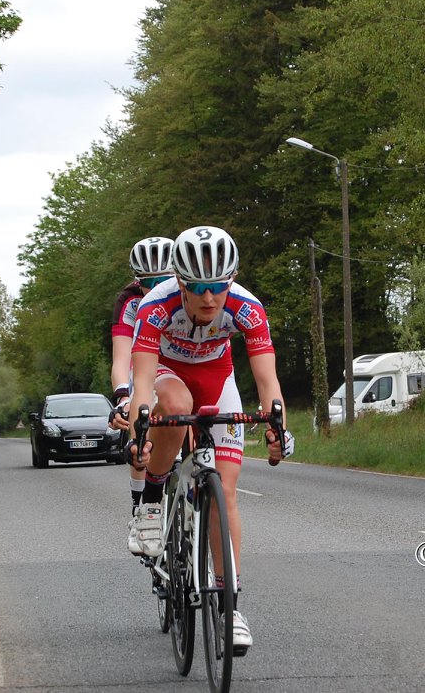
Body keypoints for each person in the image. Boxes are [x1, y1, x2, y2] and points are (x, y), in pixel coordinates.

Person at [117, 225, 295, 654]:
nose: (209, 298)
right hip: (167, 372)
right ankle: (152, 501)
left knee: (226, 490)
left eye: (218, 286)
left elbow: (268, 383)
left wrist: (278, 430)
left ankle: (229, 607)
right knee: (174, 404)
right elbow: (141, 381)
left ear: (230, 281)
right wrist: (140, 426)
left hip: (219, 379)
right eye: (197, 287)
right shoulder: (154, 308)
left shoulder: (247, 308)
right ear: (179, 281)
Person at [110, 236, 175, 523]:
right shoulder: (130, 301)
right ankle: (140, 505)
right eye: (148, 282)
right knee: (141, 420)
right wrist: (123, 395)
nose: (156, 288)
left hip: (183, 362)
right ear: (138, 281)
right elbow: (123, 356)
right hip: (146, 362)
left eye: (164, 280)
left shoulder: (188, 294)